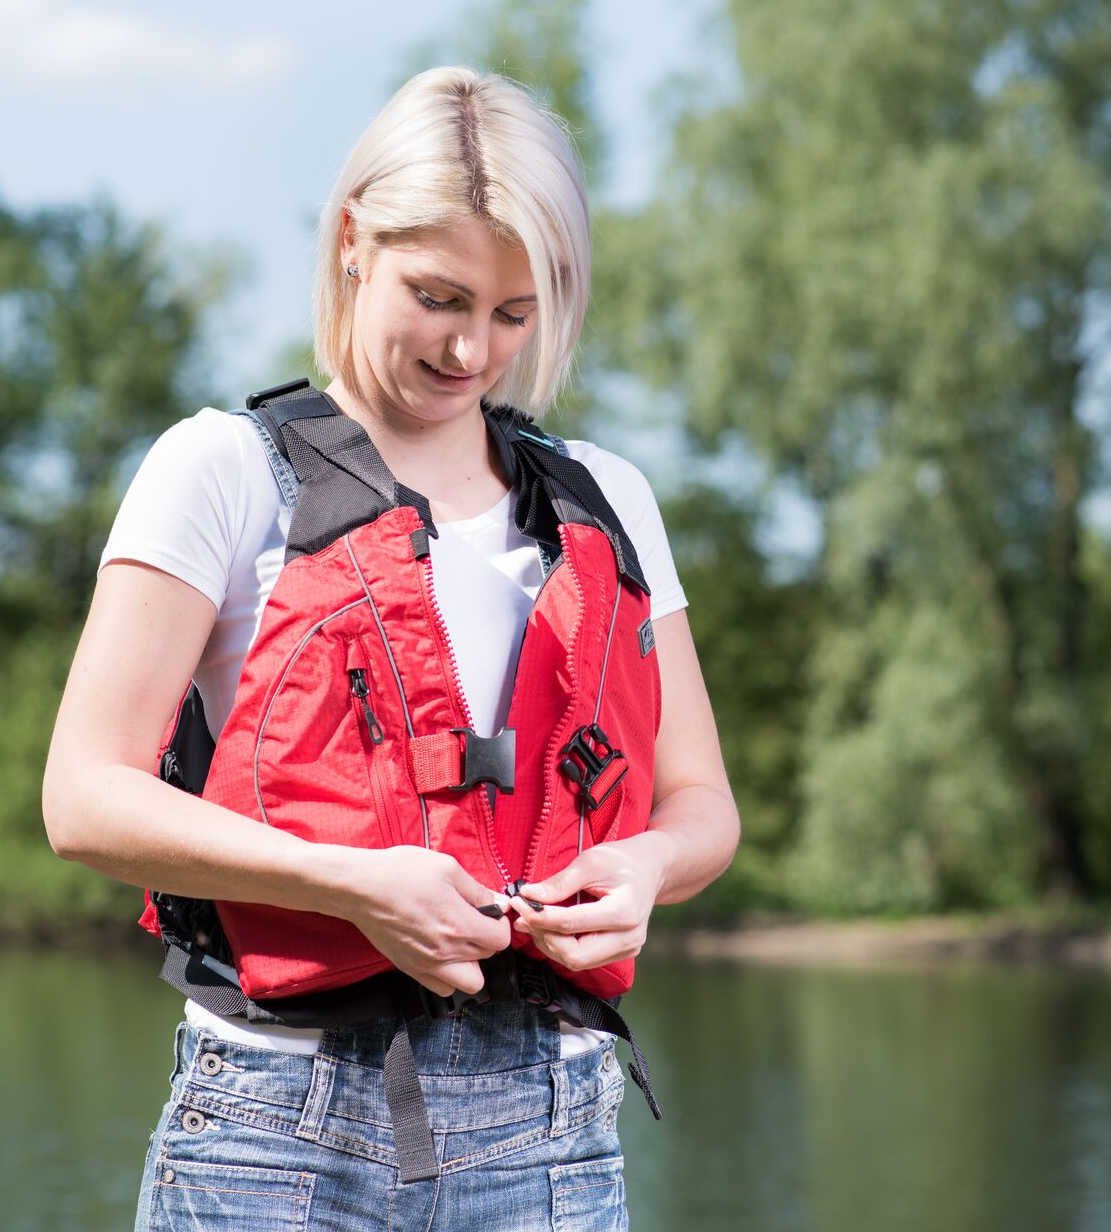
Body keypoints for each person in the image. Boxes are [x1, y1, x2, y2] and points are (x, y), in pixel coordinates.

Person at [42, 65, 740, 1231]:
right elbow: (83, 798)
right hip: (276, 1134)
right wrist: (356, 883)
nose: (473, 348)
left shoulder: (609, 501)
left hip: (555, 1138)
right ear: (353, 240)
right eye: (439, 295)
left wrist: (646, 872)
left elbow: (700, 799)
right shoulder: (217, 472)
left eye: (516, 313)